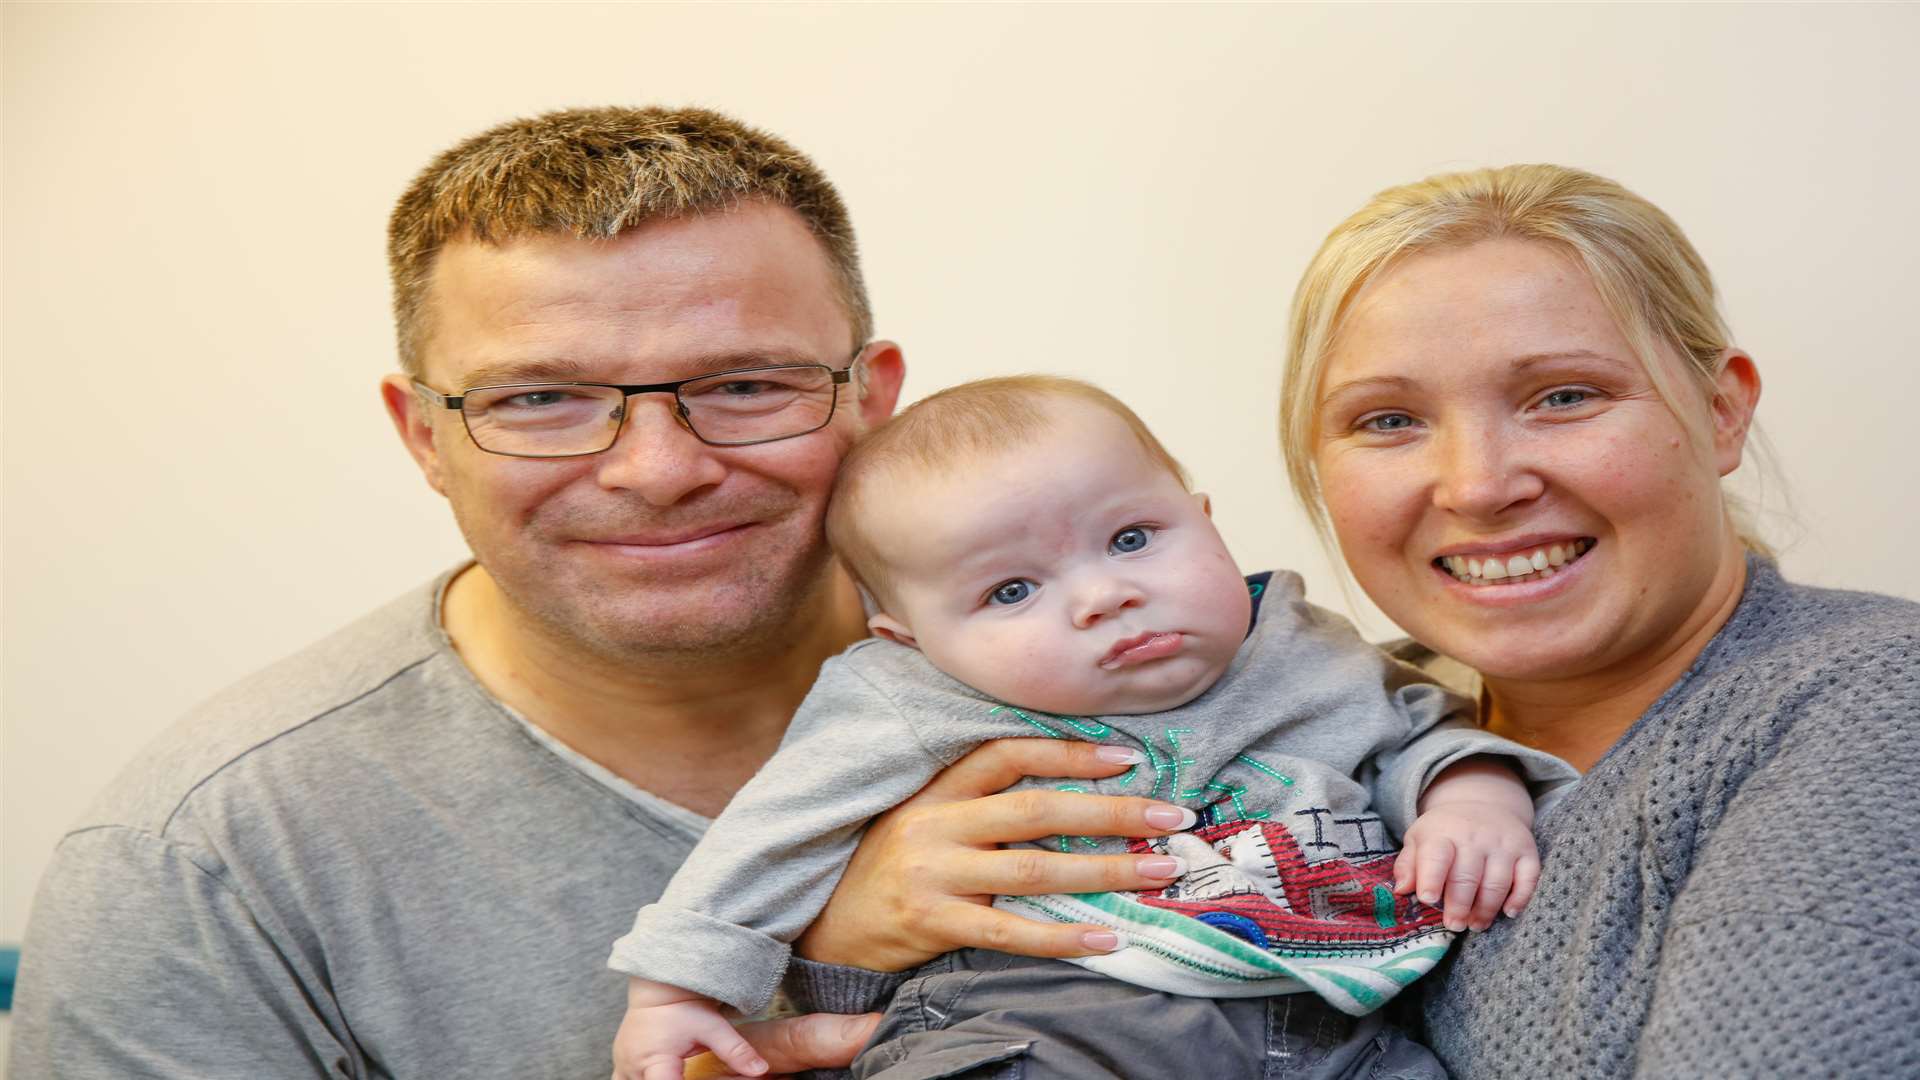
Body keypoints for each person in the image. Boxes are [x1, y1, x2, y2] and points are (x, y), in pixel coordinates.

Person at [6, 107, 1200, 1078]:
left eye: (744, 383)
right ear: (424, 436)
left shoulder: (1160, 644)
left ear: (870, 396)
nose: (661, 470)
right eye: (540, 400)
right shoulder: (198, 873)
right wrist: (810, 959)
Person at [607, 377, 1578, 1080]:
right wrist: (678, 994)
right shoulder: (914, 700)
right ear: (909, 637)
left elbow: (1417, 725)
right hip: (1048, 1017)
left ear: (1205, 521)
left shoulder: (1300, 643)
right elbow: (777, 829)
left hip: (1336, 1018)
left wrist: (1473, 794)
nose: (1106, 596)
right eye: (1013, 589)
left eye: (1132, 539)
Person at [1275, 163, 1920, 1076]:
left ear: (1722, 410)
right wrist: (1011, 908)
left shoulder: (1877, 706)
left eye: (1565, 396)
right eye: (1388, 419)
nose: (1479, 486)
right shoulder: (1311, 714)